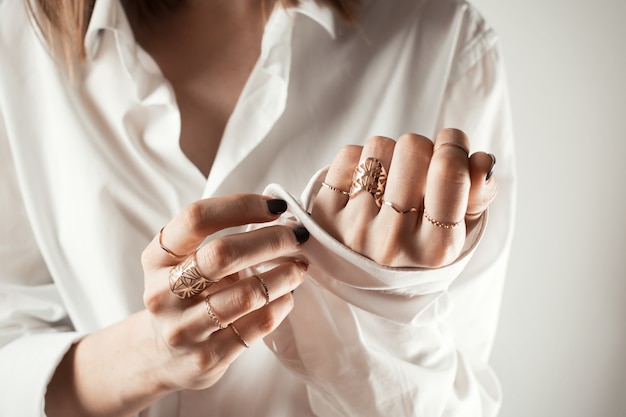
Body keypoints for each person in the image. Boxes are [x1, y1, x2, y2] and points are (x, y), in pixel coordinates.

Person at [0, 0, 516, 415]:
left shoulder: (440, 38)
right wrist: (152, 354)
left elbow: (459, 405)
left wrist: (373, 310)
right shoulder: (17, 46)